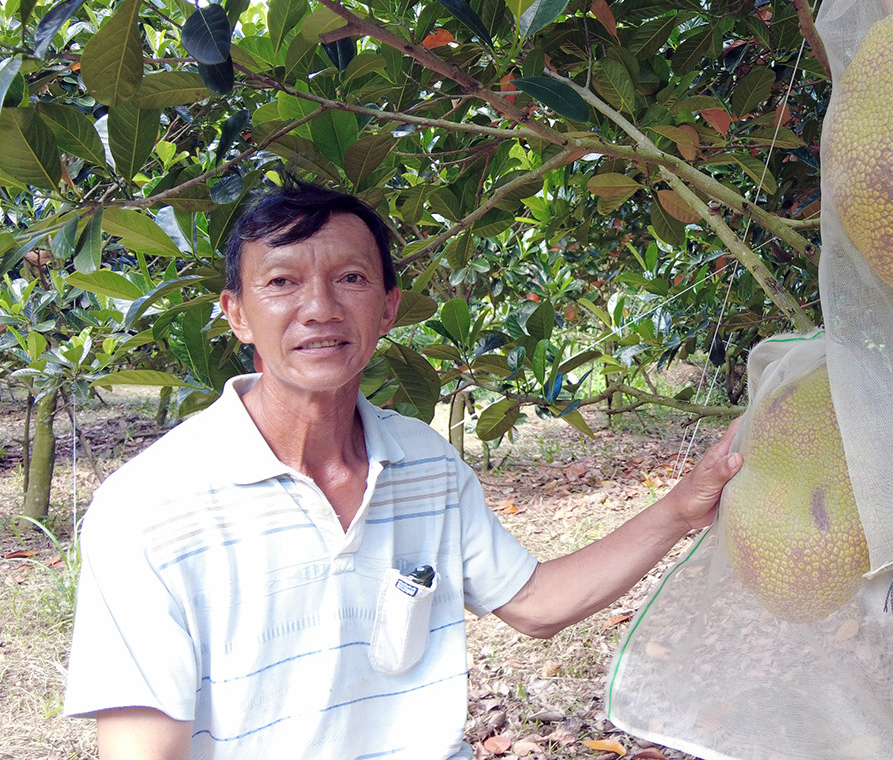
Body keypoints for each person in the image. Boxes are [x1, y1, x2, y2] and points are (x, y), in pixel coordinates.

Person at [64, 181, 742, 759]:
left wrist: (685, 504)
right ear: (236, 314)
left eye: (351, 278)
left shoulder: (425, 462)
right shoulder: (146, 509)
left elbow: (535, 604)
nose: (320, 308)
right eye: (281, 282)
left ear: (388, 308)